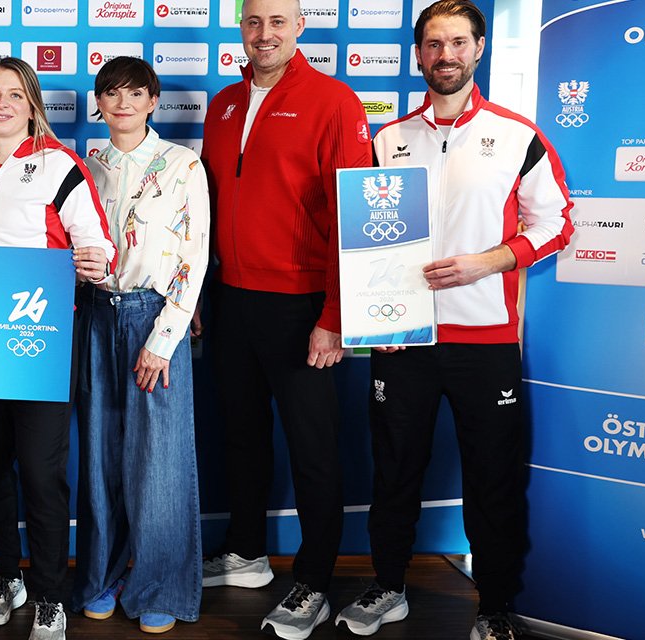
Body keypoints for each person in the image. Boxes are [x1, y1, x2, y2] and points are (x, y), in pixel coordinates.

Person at [333, 3, 573, 639]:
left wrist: (487, 263)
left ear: (480, 48)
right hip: (401, 339)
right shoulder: (389, 139)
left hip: (484, 340)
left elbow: (557, 223)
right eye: (434, 43)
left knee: (492, 479)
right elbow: (365, 237)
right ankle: (388, 587)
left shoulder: (517, 135)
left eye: (458, 42)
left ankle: (493, 608)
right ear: (418, 55)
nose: (446, 54)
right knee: (394, 473)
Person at [200, 0, 372, 637]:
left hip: (303, 305)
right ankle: (247, 552)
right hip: (231, 299)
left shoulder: (333, 100)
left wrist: (333, 314)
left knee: (312, 447)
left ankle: (316, 579)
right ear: (241, 28)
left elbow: (355, 218)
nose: (264, 34)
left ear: (300, 26)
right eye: (253, 22)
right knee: (240, 435)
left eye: (277, 22)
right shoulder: (221, 104)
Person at [0, 56, 116, 640]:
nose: (1, 104)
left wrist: (95, 264)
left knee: (43, 476)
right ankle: (6, 576)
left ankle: (49, 593)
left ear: (32, 105)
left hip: (41, 340)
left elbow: (97, 248)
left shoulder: (59, 165)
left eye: (14, 95)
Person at [72, 57, 209, 635]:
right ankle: (102, 578)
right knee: (100, 455)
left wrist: (164, 338)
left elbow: (193, 255)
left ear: (153, 101)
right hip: (96, 314)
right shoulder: (85, 163)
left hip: (155, 318)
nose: (122, 102)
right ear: (97, 103)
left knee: (160, 462)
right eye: (110, 92)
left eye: (135, 92)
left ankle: (161, 586)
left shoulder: (182, 164)